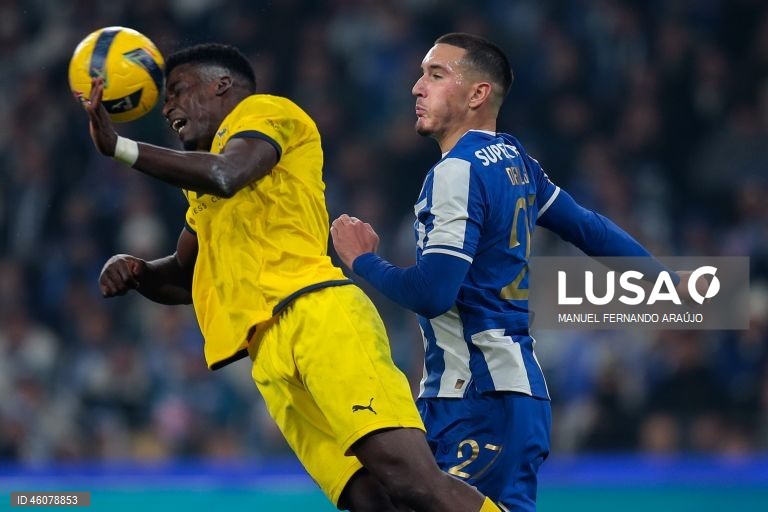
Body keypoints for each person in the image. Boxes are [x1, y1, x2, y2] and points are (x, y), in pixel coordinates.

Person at [84, 43, 502, 512]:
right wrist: (137, 272)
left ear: (222, 85)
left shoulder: (266, 113)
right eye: (165, 102)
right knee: (370, 501)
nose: (168, 107)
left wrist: (119, 147)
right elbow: (185, 277)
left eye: (179, 91)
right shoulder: (198, 181)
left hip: (318, 316)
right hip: (267, 353)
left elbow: (228, 173)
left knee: (412, 480)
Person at [331, 33, 703, 511]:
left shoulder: (456, 172)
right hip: (507, 393)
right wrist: (663, 281)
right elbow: (589, 229)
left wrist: (364, 261)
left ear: (477, 94)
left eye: (435, 74)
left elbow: (433, 293)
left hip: (477, 398)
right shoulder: (514, 159)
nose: (416, 87)